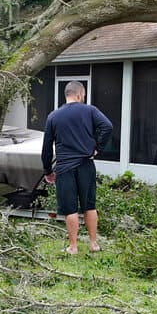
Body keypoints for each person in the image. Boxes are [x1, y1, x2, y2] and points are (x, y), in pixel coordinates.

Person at [42, 81, 113, 254]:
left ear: (67, 95)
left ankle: (73, 247)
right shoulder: (90, 111)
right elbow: (107, 126)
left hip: (65, 167)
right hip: (86, 164)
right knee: (90, 206)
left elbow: (46, 147)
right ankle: (93, 244)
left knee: (70, 208)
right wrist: (97, 148)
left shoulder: (53, 116)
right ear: (80, 95)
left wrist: (47, 170)